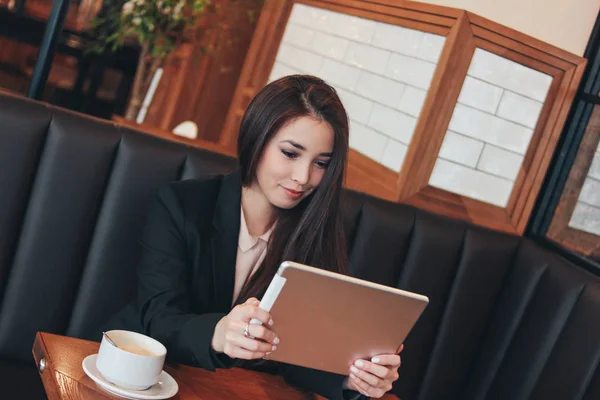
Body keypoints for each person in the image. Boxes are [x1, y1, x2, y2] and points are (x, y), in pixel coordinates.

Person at [109, 75, 401, 399]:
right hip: (147, 380)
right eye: (291, 153)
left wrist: (353, 379)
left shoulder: (318, 231)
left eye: (321, 163)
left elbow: (296, 352)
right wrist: (219, 334)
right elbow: (158, 318)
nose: (303, 177)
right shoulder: (181, 206)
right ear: (256, 137)